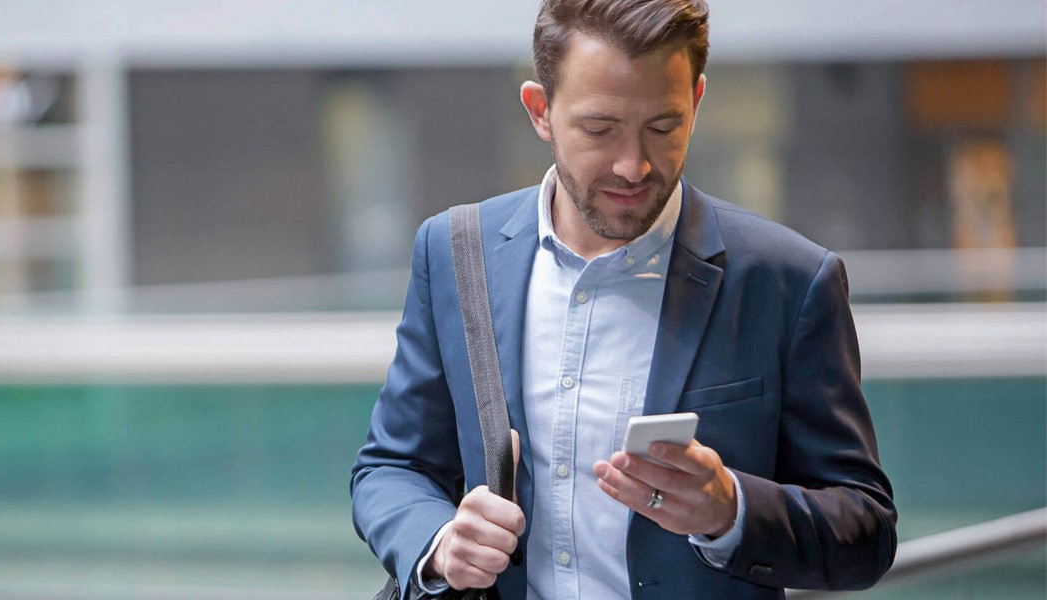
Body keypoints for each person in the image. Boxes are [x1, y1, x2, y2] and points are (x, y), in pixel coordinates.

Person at [351, 1, 897, 598]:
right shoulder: (456, 252)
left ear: (698, 101)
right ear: (541, 111)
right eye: (599, 129)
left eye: (663, 127)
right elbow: (391, 468)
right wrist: (439, 542)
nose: (632, 165)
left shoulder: (788, 281)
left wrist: (730, 511)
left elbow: (865, 530)